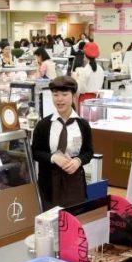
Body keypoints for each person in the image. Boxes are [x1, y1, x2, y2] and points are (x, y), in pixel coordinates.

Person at [31, 77, 94, 209]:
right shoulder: (44, 125)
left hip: (74, 181)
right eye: (55, 95)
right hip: (49, 184)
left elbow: (88, 152)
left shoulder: (83, 125)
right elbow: (35, 152)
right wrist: (53, 158)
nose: (59, 99)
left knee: (74, 216)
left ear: (73, 96)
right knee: (50, 218)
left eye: (64, 94)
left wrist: (78, 161)